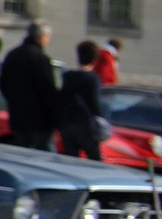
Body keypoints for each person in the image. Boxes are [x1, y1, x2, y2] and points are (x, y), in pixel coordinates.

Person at [0, 21, 59, 151]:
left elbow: (4, 84)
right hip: (41, 121)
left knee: (22, 156)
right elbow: (48, 90)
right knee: (44, 158)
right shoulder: (41, 58)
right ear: (41, 37)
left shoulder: (13, 55)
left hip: (18, 118)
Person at [57, 41, 106, 162]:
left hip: (67, 124)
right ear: (95, 59)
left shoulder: (68, 76)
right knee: (95, 160)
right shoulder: (92, 78)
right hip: (85, 125)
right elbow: (95, 104)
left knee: (71, 160)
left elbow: (61, 100)